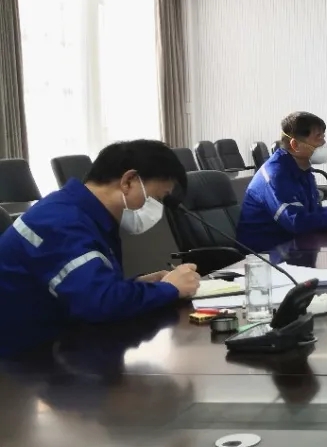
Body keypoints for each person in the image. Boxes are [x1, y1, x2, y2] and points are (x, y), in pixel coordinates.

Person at [0, 140, 201, 357]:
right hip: (21, 359)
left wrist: (140, 285)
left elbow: (88, 289)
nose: (158, 209)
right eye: (157, 198)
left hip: (56, 345)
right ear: (129, 181)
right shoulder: (61, 222)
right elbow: (97, 303)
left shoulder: (83, 213)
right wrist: (168, 289)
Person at [237, 112, 327, 251]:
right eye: (318, 137)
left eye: (323, 137)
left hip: (296, 246)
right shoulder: (276, 175)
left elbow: (312, 213)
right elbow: (297, 221)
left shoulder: (303, 169)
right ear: (295, 145)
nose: (324, 143)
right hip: (266, 255)